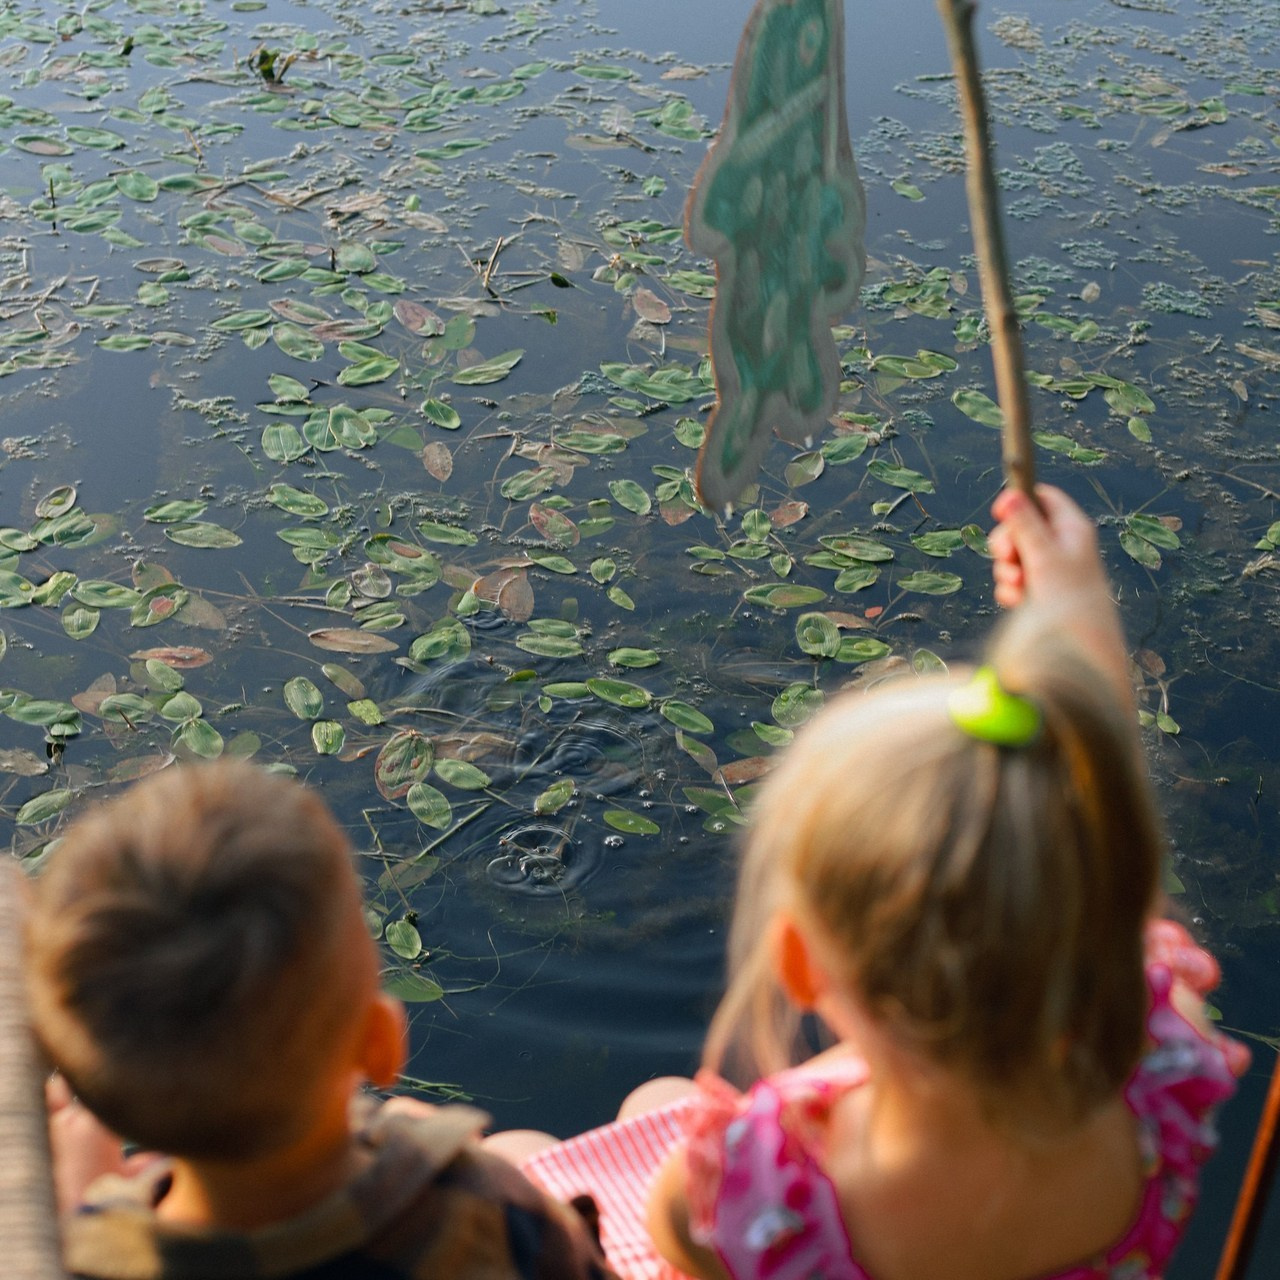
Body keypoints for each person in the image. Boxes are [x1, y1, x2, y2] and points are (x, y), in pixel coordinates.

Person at [520, 485, 1250, 1280]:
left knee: (535, 1149)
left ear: (797, 962)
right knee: (656, 1105)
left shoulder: (760, 1187)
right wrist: (1073, 600)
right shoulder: (1161, 1073)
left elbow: (679, 1245)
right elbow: (1118, 862)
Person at [24, 759, 617, 1280]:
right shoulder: (478, 1210)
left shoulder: (82, 1257)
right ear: (383, 1045)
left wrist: (87, 1197)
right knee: (527, 1144)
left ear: (99, 1105)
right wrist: (417, 1153)